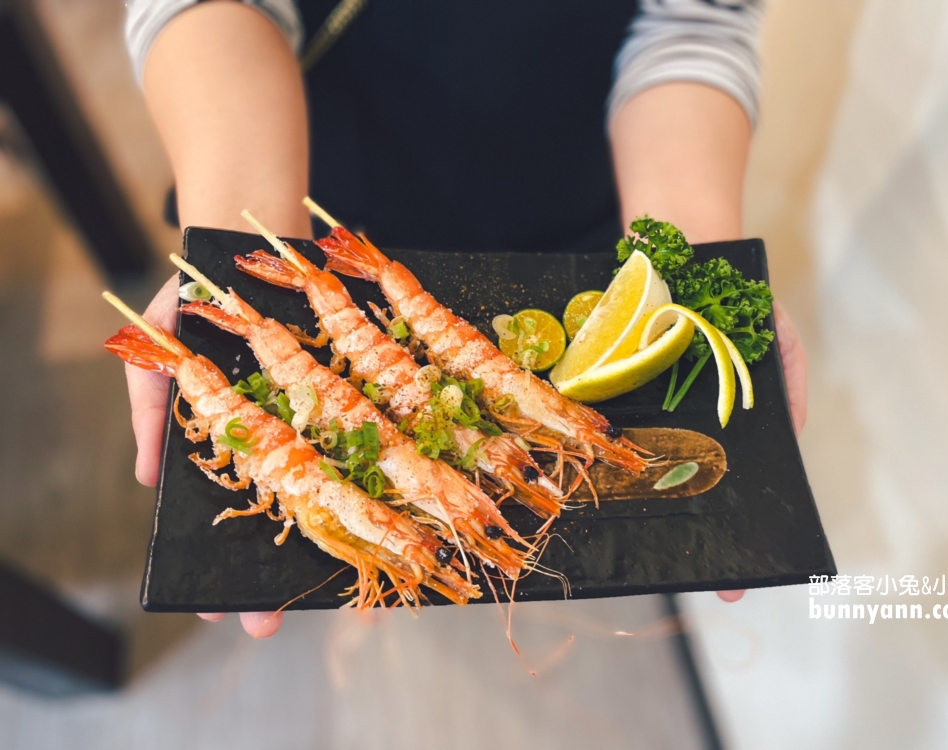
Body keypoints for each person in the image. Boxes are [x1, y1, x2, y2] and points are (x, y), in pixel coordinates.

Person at [122, 0, 808, 638]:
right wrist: (242, 235)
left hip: (565, 202)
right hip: (309, 164)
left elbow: (694, 24)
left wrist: (676, 277)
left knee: (521, 513)